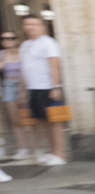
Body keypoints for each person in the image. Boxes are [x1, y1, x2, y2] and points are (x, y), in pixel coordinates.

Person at [19, 15, 66, 165]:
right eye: (28, 24)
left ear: (42, 26)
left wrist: (56, 87)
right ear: (24, 27)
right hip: (33, 89)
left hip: (46, 87)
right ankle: (52, 152)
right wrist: (23, 90)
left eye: (35, 24)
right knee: (43, 121)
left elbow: (54, 65)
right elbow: (24, 68)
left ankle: (60, 155)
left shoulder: (48, 43)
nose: (31, 27)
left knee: (54, 122)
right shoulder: (25, 45)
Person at [1, 30, 31, 162]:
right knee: (16, 120)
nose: (7, 41)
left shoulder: (22, 52)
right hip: (8, 86)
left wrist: (23, 90)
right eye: (4, 38)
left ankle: (36, 147)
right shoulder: (1, 54)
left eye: (11, 38)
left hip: (23, 85)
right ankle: (22, 148)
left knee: (29, 118)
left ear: (16, 40)